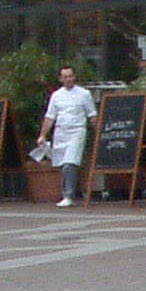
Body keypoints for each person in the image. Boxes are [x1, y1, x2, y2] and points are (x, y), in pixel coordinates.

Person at [37, 63, 98, 207]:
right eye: (65, 77)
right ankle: (67, 193)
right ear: (60, 79)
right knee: (62, 164)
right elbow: (50, 116)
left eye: (70, 76)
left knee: (70, 163)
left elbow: (92, 115)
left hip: (77, 130)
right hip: (61, 132)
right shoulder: (56, 96)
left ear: (74, 77)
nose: (68, 79)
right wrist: (42, 135)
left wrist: (98, 133)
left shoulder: (84, 94)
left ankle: (68, 195)